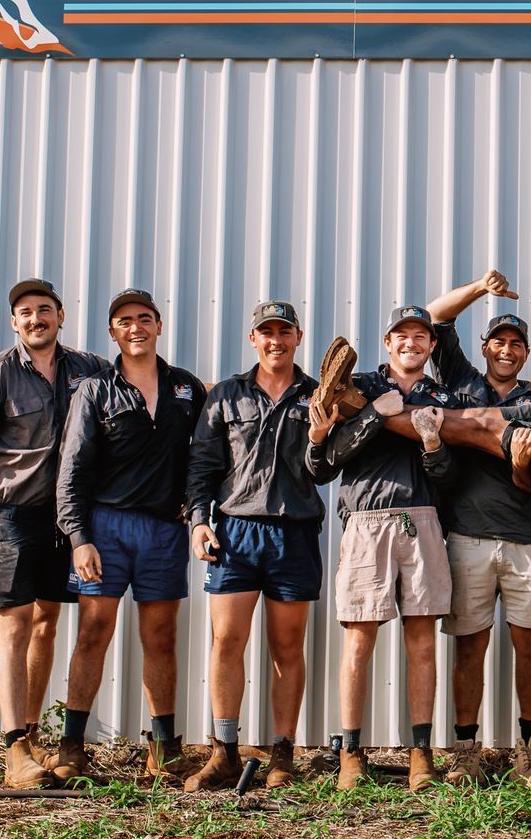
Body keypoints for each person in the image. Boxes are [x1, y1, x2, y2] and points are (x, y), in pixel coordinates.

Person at [0, 277, 109, 788]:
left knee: (47, 624)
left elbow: (139, 389)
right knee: (15, 625)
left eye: (44, 309)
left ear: (61, 316)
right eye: (25, 313)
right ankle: (16, 751)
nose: (35, 319)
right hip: (13, 515)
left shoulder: (89, 369)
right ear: (15, 323)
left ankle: (35, 736)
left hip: (67, 519)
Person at [51, 289, 208, 783]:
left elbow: (205, 458)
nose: (135, 327)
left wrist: (196, 506)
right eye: (124, 320)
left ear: (159, 325)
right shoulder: (94, 390)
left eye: (144, 318)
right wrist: (79, 537)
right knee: (94, 632)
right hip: (106, 528)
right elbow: (71, 469)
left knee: (160, 637)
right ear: (113, 332)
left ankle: (164, 748)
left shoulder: (186, 388)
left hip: (164, 530)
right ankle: (72, 744)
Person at [304, 310, 456, 792]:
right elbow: (325, 463)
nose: (411, 343)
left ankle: (420, 756)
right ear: (387, 341)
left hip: (424, 521)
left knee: (422, 642)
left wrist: (433, 445)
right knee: (358, 640)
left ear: (431, 344)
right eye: (401, 335)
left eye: (421, 336)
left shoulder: (444, 397)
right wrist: (375, 413)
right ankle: (351, 753)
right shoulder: (358, 386)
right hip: (366, 523)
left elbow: (452, 478)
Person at [182, 299, 323, 792]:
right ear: (253, 339)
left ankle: (283, 754)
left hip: (295, 532)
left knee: (287, 646)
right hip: (236, 532)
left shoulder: (319, 395)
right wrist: (199, 522)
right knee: (227, 641)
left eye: (284, 332)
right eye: (266, 331)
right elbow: (201, 465)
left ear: (298, 339)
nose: (275, 340)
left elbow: (327, 466)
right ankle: (223, 752)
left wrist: (324, 431)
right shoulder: (226, 395)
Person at [423, 271, 531, 784]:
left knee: (530, 647)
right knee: (469, 646)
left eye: (516, 343)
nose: (506, 349)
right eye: (498, 341)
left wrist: (523, 468)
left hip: (529, 540)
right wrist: (481, 288)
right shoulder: (461, 382)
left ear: (525, 353)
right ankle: (465, 752)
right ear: (484, 347)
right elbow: (436, 316)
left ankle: (530, 750)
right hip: (467, 538)